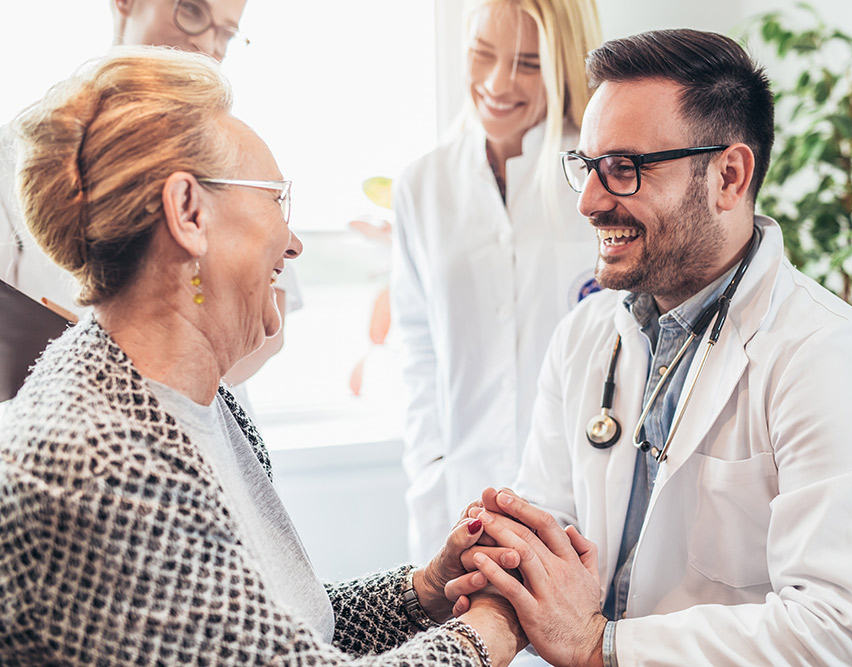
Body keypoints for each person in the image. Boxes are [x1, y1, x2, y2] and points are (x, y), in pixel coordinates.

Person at [0, 47, 522, 666]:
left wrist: (424, 593)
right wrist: (488, 630)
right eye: (278, 199)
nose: (294, 242)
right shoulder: (102, 466)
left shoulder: (204, 403)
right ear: (189, 214)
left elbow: (269, 635)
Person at [452, 29, 852, 665]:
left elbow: (844, 638)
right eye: (588, 167)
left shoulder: (829, 360)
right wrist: (504, 575)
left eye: (626, 169)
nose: (590, 201)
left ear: (729, 175)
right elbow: (547, 522)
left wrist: (603, 647)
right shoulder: (585, 336)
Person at [391, 0, 603, 564]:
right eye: (482, 54)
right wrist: (430, 469)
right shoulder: (423, 185)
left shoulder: (604, 177)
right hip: (459, 494)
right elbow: (418, 353)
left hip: (582, 502)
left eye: (528, 64)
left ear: (564, 64)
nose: (497, 82)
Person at [0, 0, 301, 394]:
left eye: (227, 32)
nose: (208, 44)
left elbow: (267, 319)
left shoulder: (237, 154)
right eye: (191, 10)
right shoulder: (21, 156)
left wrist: (182, 388)